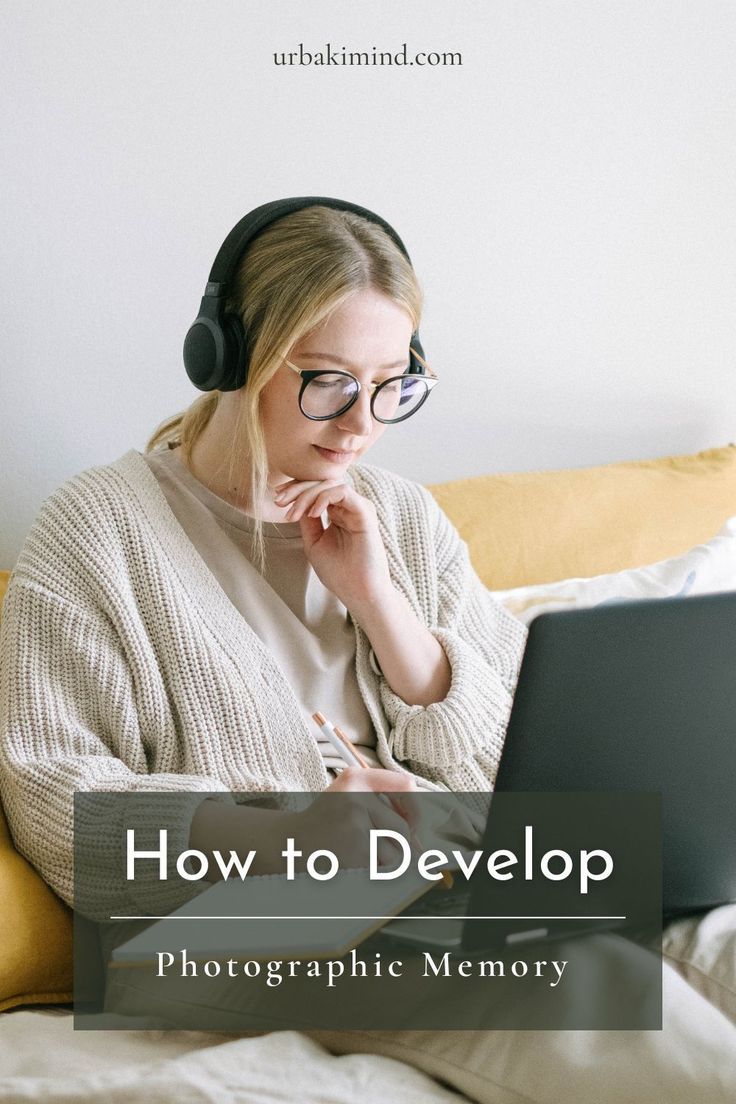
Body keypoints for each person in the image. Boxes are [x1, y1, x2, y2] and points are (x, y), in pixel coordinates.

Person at [1, 197, 735, 1103]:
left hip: (457, 869)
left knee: (715, 936)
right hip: (225, 926)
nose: (360, 425)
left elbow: (518, 755)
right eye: (328, 382)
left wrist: (381, 605)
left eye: (392, 385)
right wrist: (291, 838)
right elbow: (57, 798)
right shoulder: (98, 530)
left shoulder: (399, 516)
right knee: (596, 986)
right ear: (233, 358)